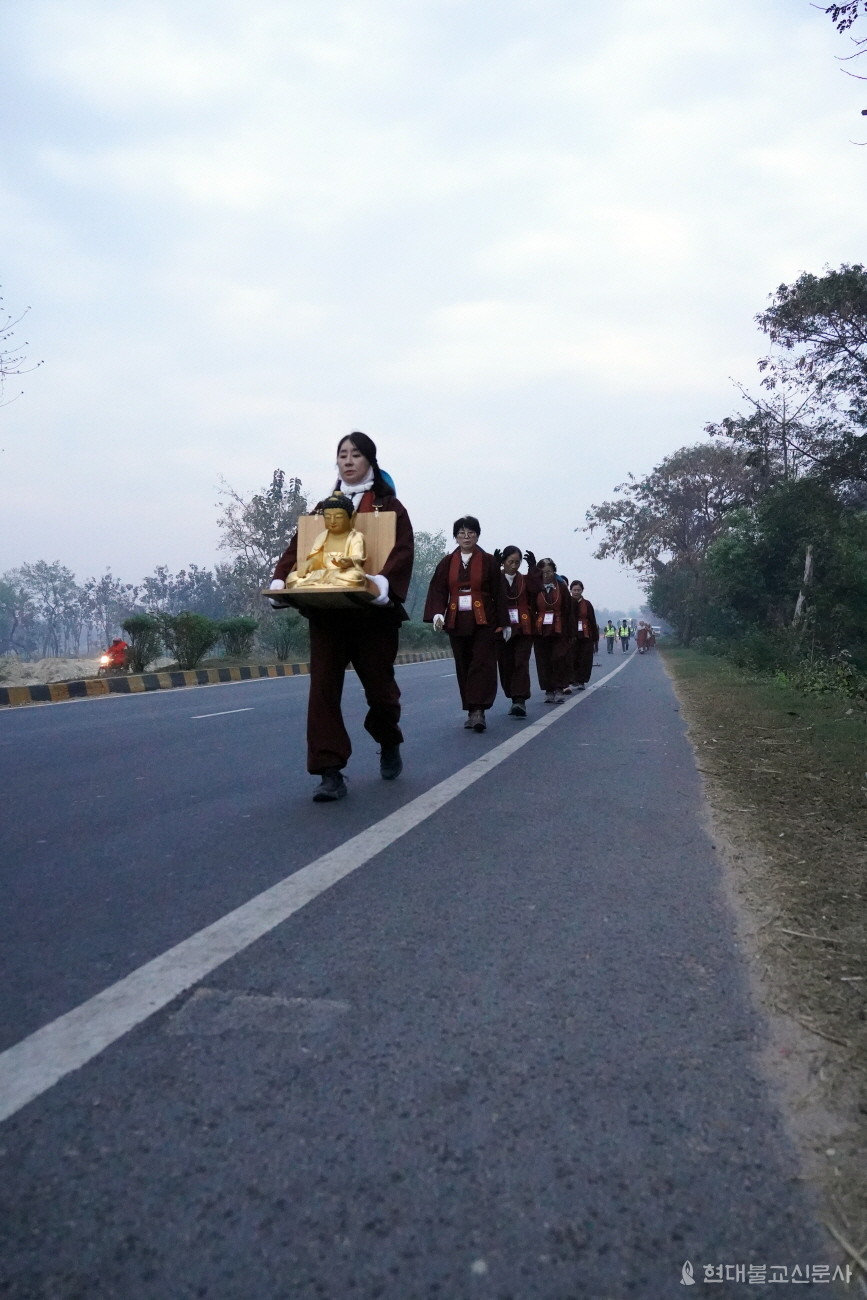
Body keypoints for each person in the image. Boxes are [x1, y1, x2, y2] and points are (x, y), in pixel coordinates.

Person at [270, 431, 414, 802]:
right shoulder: (323, 509)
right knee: (322, 691)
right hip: (328, 614)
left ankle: (388, 737)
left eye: (355, 454)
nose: (348, 461)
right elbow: (298, 547)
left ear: (370, 460)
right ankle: (329, 770)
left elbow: (402, 551)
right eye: (342, 455)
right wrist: (280, 577)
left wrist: (382, 583)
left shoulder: (390, 507)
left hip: (373, 617)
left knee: (381, 694)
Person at [424, 516, 507, 732]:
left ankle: (479, 710)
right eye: (461, 533)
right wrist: (436, 614)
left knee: (482, 662)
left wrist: (504, 623)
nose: (466, 536)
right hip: (456, 621)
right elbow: (438, 590)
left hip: (484, 621)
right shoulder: (447, 562)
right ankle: (470, 708)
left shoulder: (488, 561)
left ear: (478, 535)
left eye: (470, 532)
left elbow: (499, 593)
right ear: (456, 537)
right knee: (464, 664)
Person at [283, 493, 368, 589]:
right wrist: (310, 563)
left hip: (342, 573)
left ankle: (316, 586)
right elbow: (317, 559)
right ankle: (325, 585)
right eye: (327, 517)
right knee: (292, 578)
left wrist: (348, 561)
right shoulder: (322, 537)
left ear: (352, 517)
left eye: (338, 517)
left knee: (355, 577)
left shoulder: (355, 537)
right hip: (322, 573)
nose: (332, 521)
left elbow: (359, 557)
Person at [496, 545, 539, 718]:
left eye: (517, 562)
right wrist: (493, 566)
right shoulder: (496, 579)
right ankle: (513, 696)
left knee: (521, 662)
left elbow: (536, 589)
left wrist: (533, 568)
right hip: (502, 627)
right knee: (506, 664)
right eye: (510, 562)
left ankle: (519, 700)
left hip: (523, 627)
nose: (514, 566)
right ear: (503, 562)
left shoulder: (525, 579)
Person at [532, 558, 575, 704]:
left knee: (559, 658)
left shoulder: (561, 587)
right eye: (543, 572)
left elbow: (568, 610)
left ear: (554, 571)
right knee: (544, 660)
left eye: (549, 571)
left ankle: (558, 688)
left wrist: (571, 631)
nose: (547, 575)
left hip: (559, 628)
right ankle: (548, 689)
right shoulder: (535, 587)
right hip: (541, 630)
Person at [569, 580, 599, 691]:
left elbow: (592, 620)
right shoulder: (566, 602)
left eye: (578, 590)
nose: (576, 592)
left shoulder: (587, 604)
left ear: (582, 591)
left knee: (584, 659)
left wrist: (595, 638)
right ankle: (572, 680)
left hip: (586, 635)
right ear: (570, 590)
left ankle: (581, 681)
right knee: (572, 658)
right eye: (574, 590)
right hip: (571, 635)